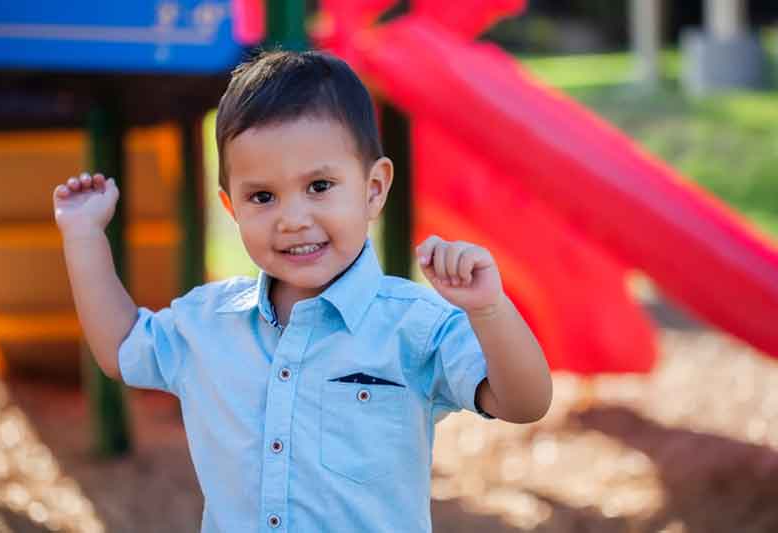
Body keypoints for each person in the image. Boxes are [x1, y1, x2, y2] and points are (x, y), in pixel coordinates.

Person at [52, 49, 552, 533]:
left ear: (373, 188)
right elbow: (121, 349)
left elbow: (524, 402)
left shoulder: (414, 324)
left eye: (319, 187)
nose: (293, 220)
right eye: (263, 197)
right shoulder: (207, 322)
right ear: (232, 208)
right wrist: (83, 236)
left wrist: (488, 309)